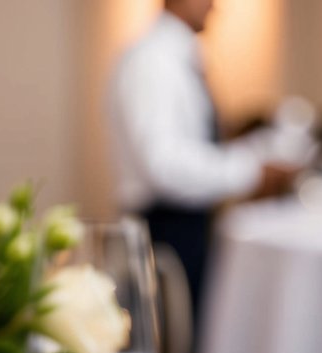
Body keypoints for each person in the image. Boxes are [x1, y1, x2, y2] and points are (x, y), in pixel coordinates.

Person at [107, 0, 301, 321]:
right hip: (165, 233)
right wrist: (253, 171)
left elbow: (192, 142)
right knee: (173, 345)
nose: (215, 6)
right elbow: (163, 165)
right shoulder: (151, 61)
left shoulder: (180, 59)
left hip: (190, 226)